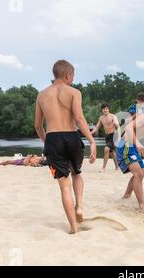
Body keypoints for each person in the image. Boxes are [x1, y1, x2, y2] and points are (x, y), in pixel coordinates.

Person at [34, 59, 97, 234]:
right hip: (72, 136)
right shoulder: (74, 92)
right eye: (73, 76)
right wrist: (91, 140)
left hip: (53, 138)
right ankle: (80, 206)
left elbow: (38, 125)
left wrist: (46, 142)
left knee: (64, 185)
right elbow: (79, 118)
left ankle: (73, 228)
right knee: (77, 173)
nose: (73, 79)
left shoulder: (41, 95)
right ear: (68, 75)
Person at [91, 103, 120, 172]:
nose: (105, 110)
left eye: (107, 108)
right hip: (107, 136)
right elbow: (97, 127)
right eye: (104, 109)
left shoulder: (113, 116)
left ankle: (103, 168)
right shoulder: (101, 118)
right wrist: (90, 133)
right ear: (102, 110)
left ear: (109, 109)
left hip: (113, 135)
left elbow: (118, 126)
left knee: (106, 149)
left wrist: (118, 137)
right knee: (112, 152)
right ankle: (117, 167)